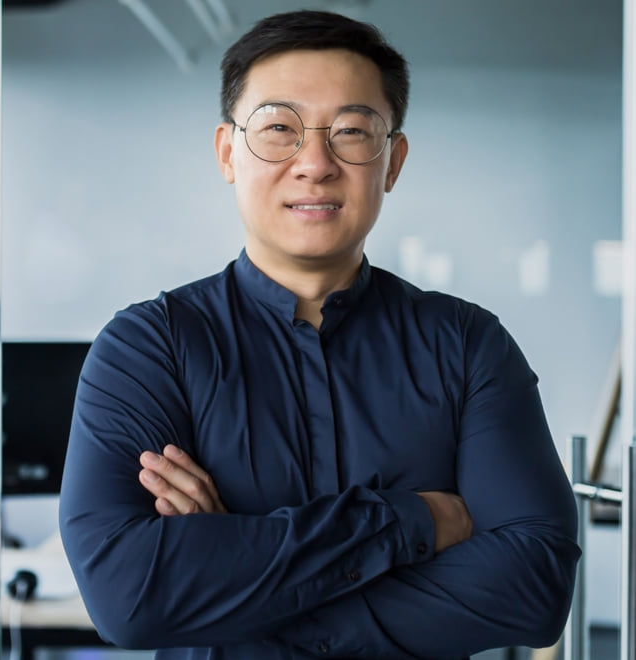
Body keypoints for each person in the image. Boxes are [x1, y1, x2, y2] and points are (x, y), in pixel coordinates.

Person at [57, 9, 580, 659]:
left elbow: (533, 591)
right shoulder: (149, 348)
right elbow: (129, 600)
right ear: (227, 152)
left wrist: (238, 585)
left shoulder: (468, 345)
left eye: (352, 132)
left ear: (392, 161)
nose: (315, 163)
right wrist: (412, 521)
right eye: (279, 128)